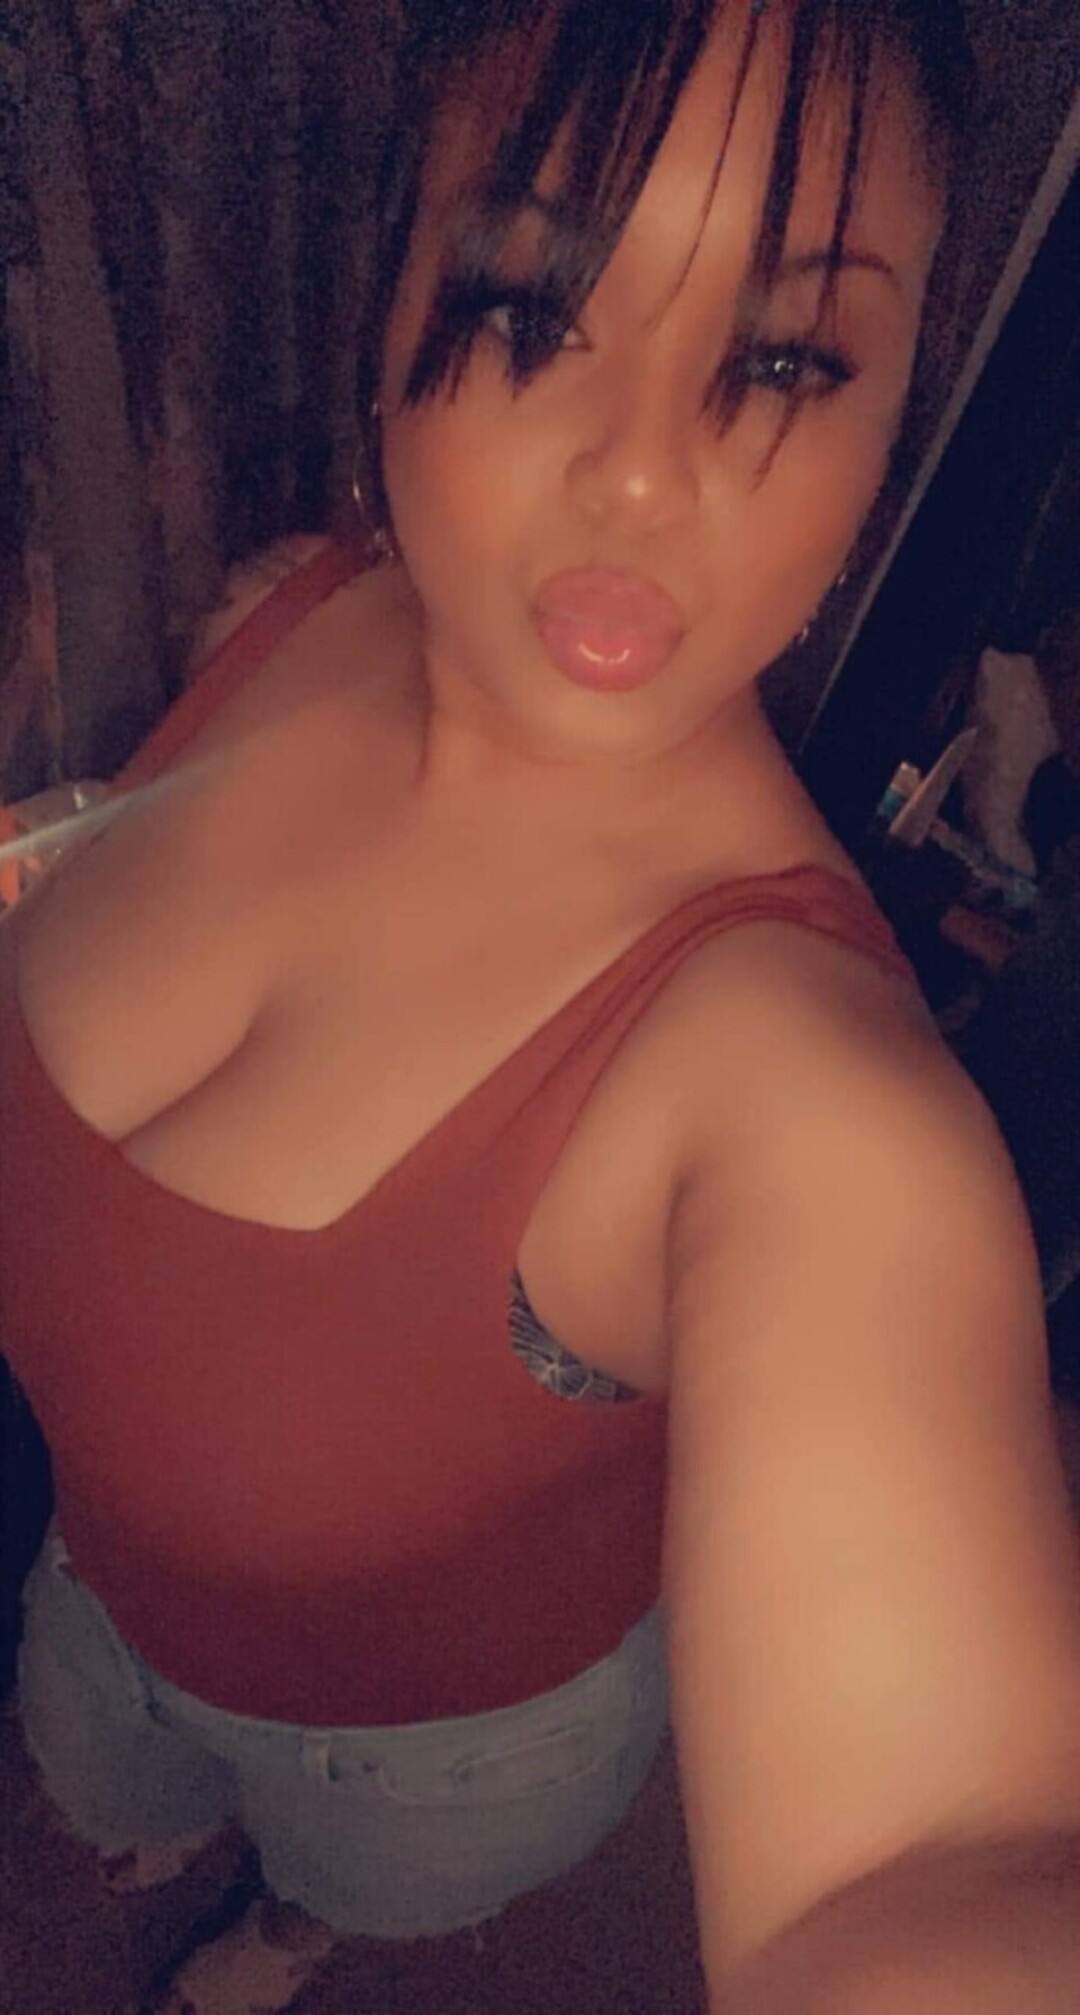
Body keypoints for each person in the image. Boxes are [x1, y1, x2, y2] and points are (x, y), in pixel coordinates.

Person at [5, 3, 1080, 2010]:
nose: (638, 475)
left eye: (784, 358)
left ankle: (297, 1920)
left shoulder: (801, 1096)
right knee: (100, 1757)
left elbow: (928, 1859)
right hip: (95, 1595)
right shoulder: (307, 605)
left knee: (346, 1874)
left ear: (895, 407)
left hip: (422, 1754)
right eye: (527, 306)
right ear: (396, 282)